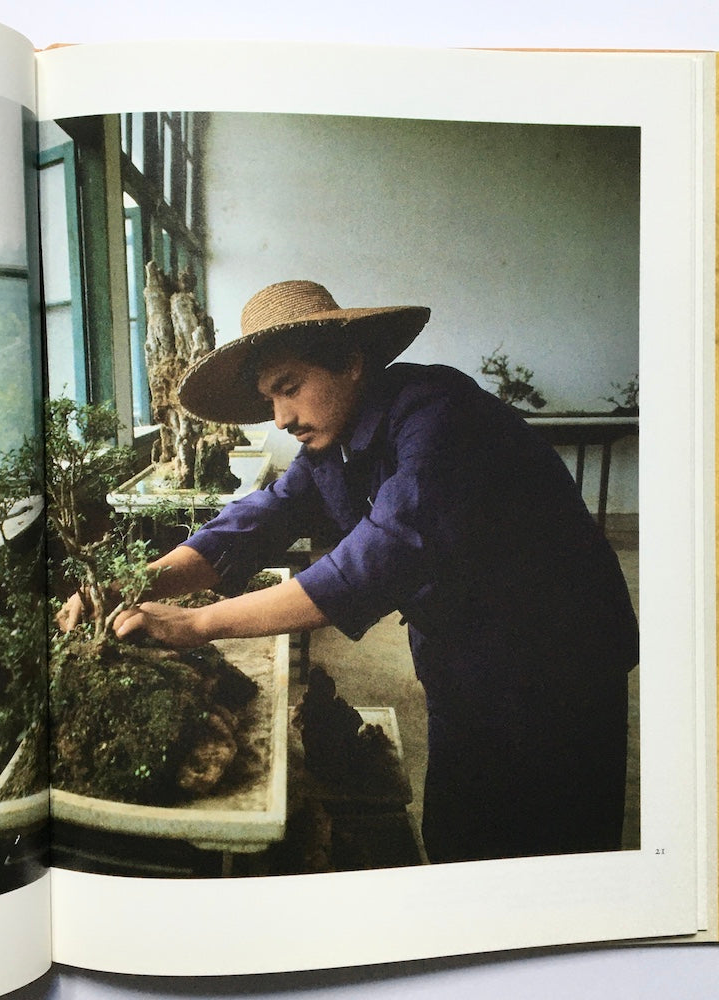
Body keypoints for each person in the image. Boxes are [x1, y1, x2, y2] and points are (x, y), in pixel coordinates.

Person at [58, 279, 639, 864]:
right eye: (270, 401)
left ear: (352, 363)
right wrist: (128, 585)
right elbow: (255, 522)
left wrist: (199, 624)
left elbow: (377, 559)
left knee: (563, 849)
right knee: (463, 837)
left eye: (290, 389)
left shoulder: (440, 416)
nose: (281, 418)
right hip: (459, 653)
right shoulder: (327, 450)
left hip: (560, 655)